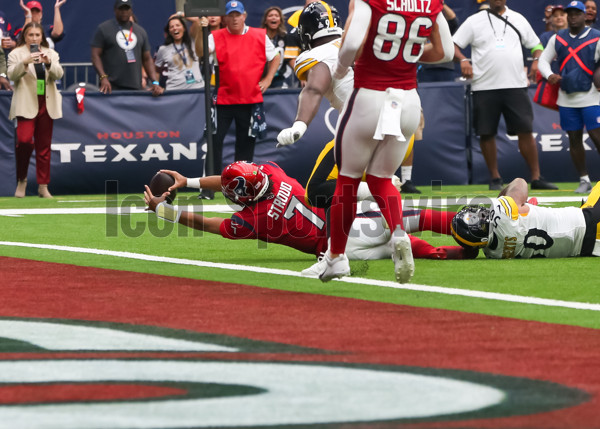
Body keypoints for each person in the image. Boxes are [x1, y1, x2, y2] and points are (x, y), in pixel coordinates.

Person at [318, 0, 454, 283]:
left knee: (348, 179)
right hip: (407, 100)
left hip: (370, 94)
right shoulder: (430, 3)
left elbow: (353, 41)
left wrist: (342, 67)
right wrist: (405, 59)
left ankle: (336, 258)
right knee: (382, 178)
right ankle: (398, 232)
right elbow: (445, 52)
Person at [143, 161, 475, 277]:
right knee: (414, 220)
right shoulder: (273, 173)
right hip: (348, 227)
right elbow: (237, 182)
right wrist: (189, 182)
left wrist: (163, 210)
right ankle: (475, 227)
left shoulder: (255, 219)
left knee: (401, 245)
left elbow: (207, 223)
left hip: (339, 247)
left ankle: (449, 252)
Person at [453, 0, 558, 191]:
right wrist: (463, 59)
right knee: (486, 132)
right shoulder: (474, 21)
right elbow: (453, 45)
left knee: (525, 129)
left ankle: (536, 177)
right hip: (483, 86)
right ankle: (494, 178)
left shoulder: (518, 18)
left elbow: (536, 45)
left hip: (515, 84)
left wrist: (536, 60)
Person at [206, 0, 280, 176]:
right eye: (230, 15)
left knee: (246, 144)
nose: (234, 19)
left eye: (237, 15)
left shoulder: (259, 35)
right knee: (214, 141)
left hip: (249, 99)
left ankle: (242, 181)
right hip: (223, 98)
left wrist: (268, 79)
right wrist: (198, 28)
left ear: (244, 16)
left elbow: (275, 56)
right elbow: (201, 52)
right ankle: (213, 183)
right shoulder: (214, 36)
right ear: (225, 19)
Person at [451, 178, 600, 258]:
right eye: (478, 216)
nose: (480, 212)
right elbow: (520, 183)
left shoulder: (494, 254)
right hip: (589, 221)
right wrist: (504, 198)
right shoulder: (501, 214)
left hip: (589, 248)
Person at [538, 1, 600, 194]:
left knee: (598, 137)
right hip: (566, 98)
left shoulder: (596, 37)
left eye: (576, 13)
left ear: (584, 16)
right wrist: (549, 75)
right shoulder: (558, 38)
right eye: (569, 14)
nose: (572, 17)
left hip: (592, 96)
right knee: (573, 139)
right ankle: (584, 180)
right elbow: (543, 60)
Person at [8, 22, 63, 198]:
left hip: (46, 101)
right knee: (24, 141)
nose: (34, 38)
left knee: (44, 147)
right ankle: (21, 180)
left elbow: (59, 74)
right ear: (25, 35)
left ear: (42, 37)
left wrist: (48, 64)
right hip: (26, 102)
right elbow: (11, 76)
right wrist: (24, 62)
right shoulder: (16, 54)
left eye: (37, 35)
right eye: (30, 35)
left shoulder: (51, 53)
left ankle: (43, 186)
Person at [90, 0, 163, 95]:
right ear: (115, 10)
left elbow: (147, 59)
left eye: (127, 8)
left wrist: (155, 82)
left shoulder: (140, 31)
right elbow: (95, 55)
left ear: (131, 10)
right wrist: (103, 77)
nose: (124, 11)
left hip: (136, 87)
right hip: (111, 88)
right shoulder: (104, 29)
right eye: (121, 8)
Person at [154, 15, 204, 90]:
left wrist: (180, 14)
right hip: (175, 91)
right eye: (171, 27)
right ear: (169, 32)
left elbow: (197, 21)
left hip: (197, 89)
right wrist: (156, 84)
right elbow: (156, 70)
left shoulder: (193, 42)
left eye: (178, 25)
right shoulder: (163, 49)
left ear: (184, 28)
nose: (175, 28)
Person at [261, 6, 293, 88]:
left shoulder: (285, 37)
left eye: (276, 16)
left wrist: (301, 76)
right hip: (260, 77)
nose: (273, 17)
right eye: (270, 15)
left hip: (279, 78)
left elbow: (291, 58)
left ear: (280, 20)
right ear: (265, 20)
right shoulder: (259, 36)